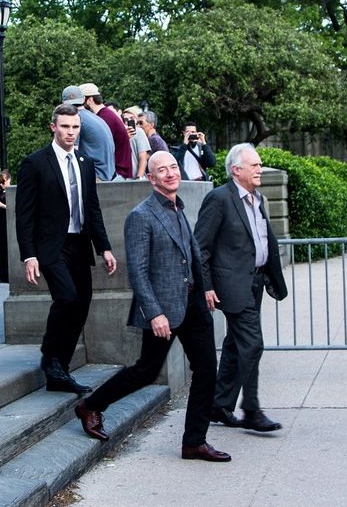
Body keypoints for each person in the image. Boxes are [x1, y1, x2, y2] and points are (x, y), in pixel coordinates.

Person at [74, 151, 230, 463]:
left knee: (206, 370)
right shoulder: (141, 216)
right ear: (151, 178)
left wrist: (206, 287)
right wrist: (155, 312)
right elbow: (138, 271)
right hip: (164, 309)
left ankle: (194, 442)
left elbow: (191, 254)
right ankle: (90, 405)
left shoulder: (179, 207)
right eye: (162, 170)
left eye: (173, 167)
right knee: (146, 371)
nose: (171, 173)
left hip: (193, 304)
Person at [15, 103, 117, 394]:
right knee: (67, 297)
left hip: (79, 243)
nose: (71, 132)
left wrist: (104, 248)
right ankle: (50, 358)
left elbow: (93, 208)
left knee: (82, 302)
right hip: (50, 247)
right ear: (53, 127)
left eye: (75, 127)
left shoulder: (85, 162)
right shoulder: (35, 163)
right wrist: (29, 255)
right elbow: (24, 214)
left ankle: (60, 366)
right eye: (65, 127)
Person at [195, 143, 288, 432]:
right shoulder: (219, 199)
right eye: (254, 165)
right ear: (236, 170)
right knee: (252, 344)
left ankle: (219, 405)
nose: (260, 169)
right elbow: (200, 247)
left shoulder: (256, 198)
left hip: (255, 281)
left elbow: (261, 239)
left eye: (259, 164)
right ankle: (251, 410)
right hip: (232, 285)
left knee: (236, 345)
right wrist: (206, 286)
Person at [61, 86, 116, 181]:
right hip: (108, 174)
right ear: (83, 100)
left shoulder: (76, 118)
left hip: (95, 176)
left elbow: (72, 153)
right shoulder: (95, 117)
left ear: (63, 104)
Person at [80, 83, 133, 179]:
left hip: (117, 173)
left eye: (80, 102)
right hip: (116, 171)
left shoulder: (104, 117)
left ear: (90, 100)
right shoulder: (105, 115)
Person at [121, 107, 150, 180]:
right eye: (125, 119)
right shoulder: (120, 132)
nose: (128, 121)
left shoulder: (139, 132)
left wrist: (139, 177)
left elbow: (143, 158)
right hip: (122, 177)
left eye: (132, 118)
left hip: (134, 177)